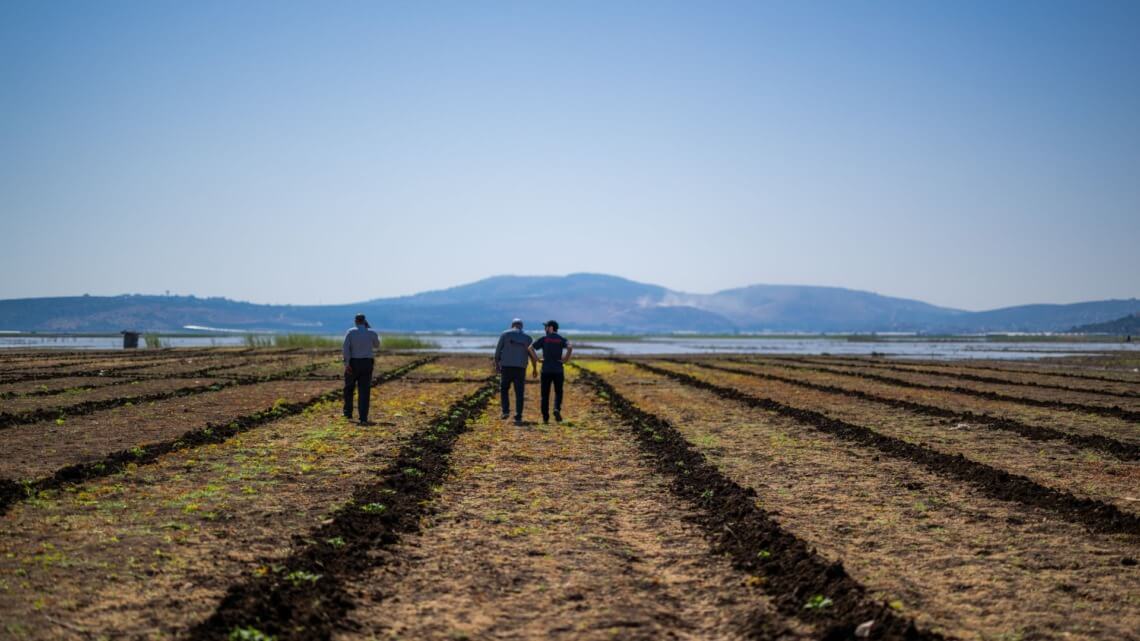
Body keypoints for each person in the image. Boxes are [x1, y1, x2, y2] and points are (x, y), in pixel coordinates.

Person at [494, 318, 537, 426]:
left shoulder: (505, 334)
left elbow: (498, 351)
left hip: (506, 367)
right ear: (521, 326)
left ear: (512, 325)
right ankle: (518, 416)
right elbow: (532, 356)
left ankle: (505, 411)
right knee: (519, 392)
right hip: (520, 368)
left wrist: (497, 365)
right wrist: (535, 368)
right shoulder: (527, 338)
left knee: (504, 389)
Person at [528, 320, 573, 423]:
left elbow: (530, 348)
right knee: (558, 392)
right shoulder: (561, 339)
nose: (545, 329)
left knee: (545, 394)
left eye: (546, 327)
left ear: (551, 328)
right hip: (558, 370)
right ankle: (556, 409)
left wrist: (537, 359)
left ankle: (545, 417)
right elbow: (570, 346)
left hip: (546, 370)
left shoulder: (545, 339)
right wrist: (565, 359)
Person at [343, 313, 380, 425]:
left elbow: (346, 349)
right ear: (364, 321)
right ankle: (363, 417)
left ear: (355, 321)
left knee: (349, 388)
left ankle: (348, 413)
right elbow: (377, 345)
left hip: (353, 362)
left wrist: (347, 363)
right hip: (367, 363)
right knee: (364, 391)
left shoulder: (350, 332)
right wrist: (368, 329)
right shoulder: (372, 332)